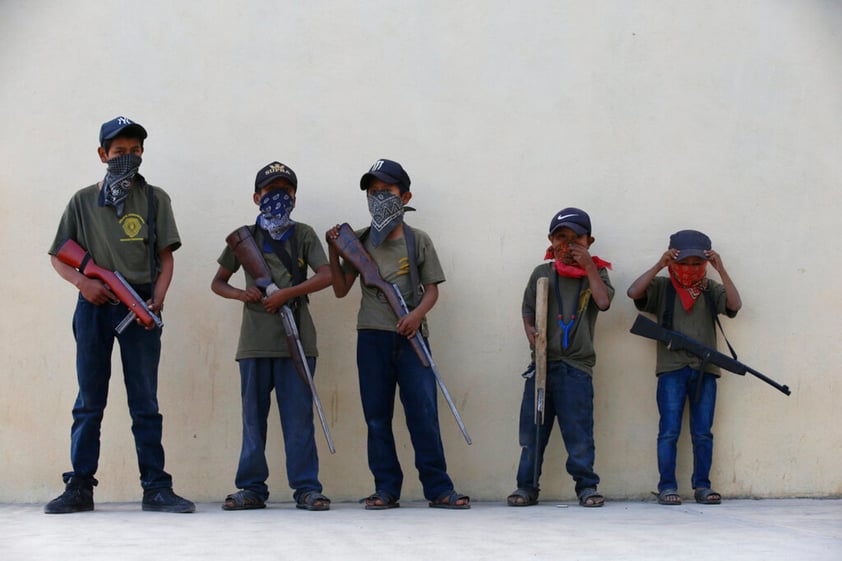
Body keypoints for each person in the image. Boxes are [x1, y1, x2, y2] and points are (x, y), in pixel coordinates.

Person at [45, 116, 194, 514]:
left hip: (139, 305)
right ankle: (79, 485)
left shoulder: (155, 198)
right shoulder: (81, 201)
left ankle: (156, 487)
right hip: (94, 309)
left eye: (134, 151)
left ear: (143, 152)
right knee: (89, 401)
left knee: (144, 400)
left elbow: (165, 258)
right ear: (102, 155)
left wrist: (156, 300)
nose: (127, 158)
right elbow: (59, 256)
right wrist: (84, 284)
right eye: (118, 152)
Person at [325, 158, 469, 510]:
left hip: (411, 339)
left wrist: (416, 316)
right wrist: (333, 248)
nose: (379, 198)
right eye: (372, 193)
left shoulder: (418, 241)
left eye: (386, 191)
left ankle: (439, 488)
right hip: (371, 337)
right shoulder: (356, 241)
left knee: (423, 413)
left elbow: (432, 289)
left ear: (405, 196)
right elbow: (341, 288)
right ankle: (386, 488)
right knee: (376, 417)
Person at [211, 161, 333, 511]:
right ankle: (251, 488)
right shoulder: (244, 238)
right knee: (253, 420)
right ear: (256, 196)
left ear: (295, 196)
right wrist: (241, 294)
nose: (277, 197)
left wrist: (287, 293)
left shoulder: (305, 234)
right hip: (254, 342)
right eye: (270, 190)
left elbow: (325, 276)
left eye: (285, 190)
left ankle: (307, 489)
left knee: (299, 420)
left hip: (297, 340)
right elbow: (218, 282)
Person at [507, 208, 613, 508]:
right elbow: (528, 310)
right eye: (560, 238)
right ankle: (526, 487)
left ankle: (587, 486)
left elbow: (603, 303)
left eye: (575, 239)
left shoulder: (598, 274)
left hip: (576, 368)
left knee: (578, 433)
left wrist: (589, 267)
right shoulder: (542, 273)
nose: (567, 245)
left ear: (589, 241)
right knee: (533, 432)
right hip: (541, 365)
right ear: (551, 240)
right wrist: (530, 329)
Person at [626, 229, 741, 506]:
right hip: (671, 370)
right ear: (672, 260)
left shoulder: (710, 289)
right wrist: (659, 265)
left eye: (696, 263)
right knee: (669, 431)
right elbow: (633, 292)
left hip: (706, 370)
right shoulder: (663, 287)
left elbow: (735, 304)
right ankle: (667, 487)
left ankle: (702, 486)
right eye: (684, 262)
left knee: (702, 432)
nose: (690, 269)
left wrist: (720, 269)